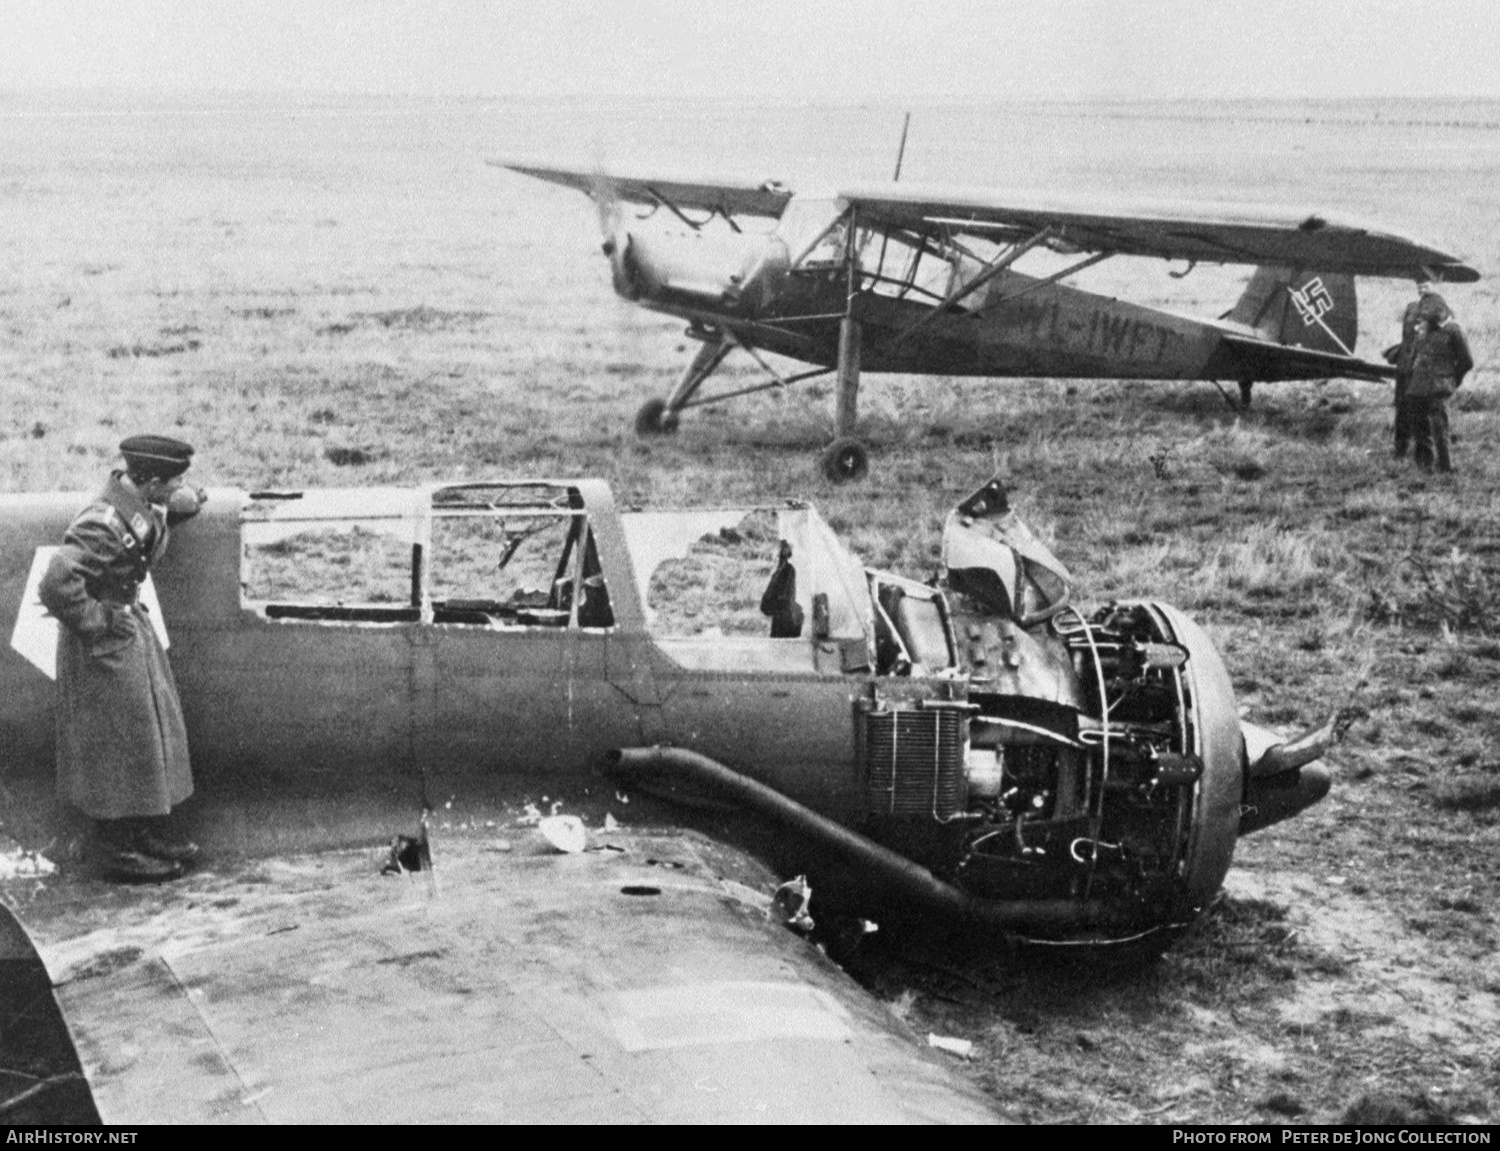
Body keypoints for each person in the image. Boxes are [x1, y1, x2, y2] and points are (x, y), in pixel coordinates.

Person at [38, 436, 207, 881]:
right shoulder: (102, 522)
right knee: (117, 744)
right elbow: (56, 583)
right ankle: (114, 848)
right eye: (172, 482)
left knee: (148, 733)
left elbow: (146, 537)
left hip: (126, 630)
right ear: (149, 481)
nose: (179, 488)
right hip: (103, 644)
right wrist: (97, 622)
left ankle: (140, 832)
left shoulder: (136, 505)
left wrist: (179, 507)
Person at [1384, 275, 1451, 458]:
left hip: (1422, 370)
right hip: (1405, 366)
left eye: (1425, 284)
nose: (1422, 288)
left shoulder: (1440, 306)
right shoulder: (1411, 308)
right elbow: (1405, 337)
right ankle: (1399, 451)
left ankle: (1425, 457)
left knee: (1421, 414)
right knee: (1402, 410)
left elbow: (1442, 329)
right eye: (1419, 285)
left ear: (1434, 283)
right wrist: (1396, 353)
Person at [1406, 300, 1474, 474]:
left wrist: (1453, 380)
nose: (1426, 317)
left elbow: (1466, 361)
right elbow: (1414, 354)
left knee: (1439, 427)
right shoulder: (1422, 328)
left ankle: (1445, 466)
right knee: (1419, 426)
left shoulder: (1453, 330)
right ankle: (1424, 465)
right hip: (1419, 384)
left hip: (1439, 386)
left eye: (1430, 314)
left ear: (1443, 312)